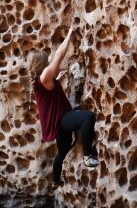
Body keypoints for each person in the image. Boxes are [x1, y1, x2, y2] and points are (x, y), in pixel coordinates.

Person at [27, 26, 98, 192]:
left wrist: (58, 79)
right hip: (62, 120)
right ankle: (88, 156)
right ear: (41, 63)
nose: (48, 62)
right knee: (88, 117)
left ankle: (56, 181)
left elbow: (50, 91)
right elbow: (59, 55)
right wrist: (69, 33)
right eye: (46, 60)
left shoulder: (42, 80)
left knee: (62, 151)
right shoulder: (44, 76)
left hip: (57, 124)